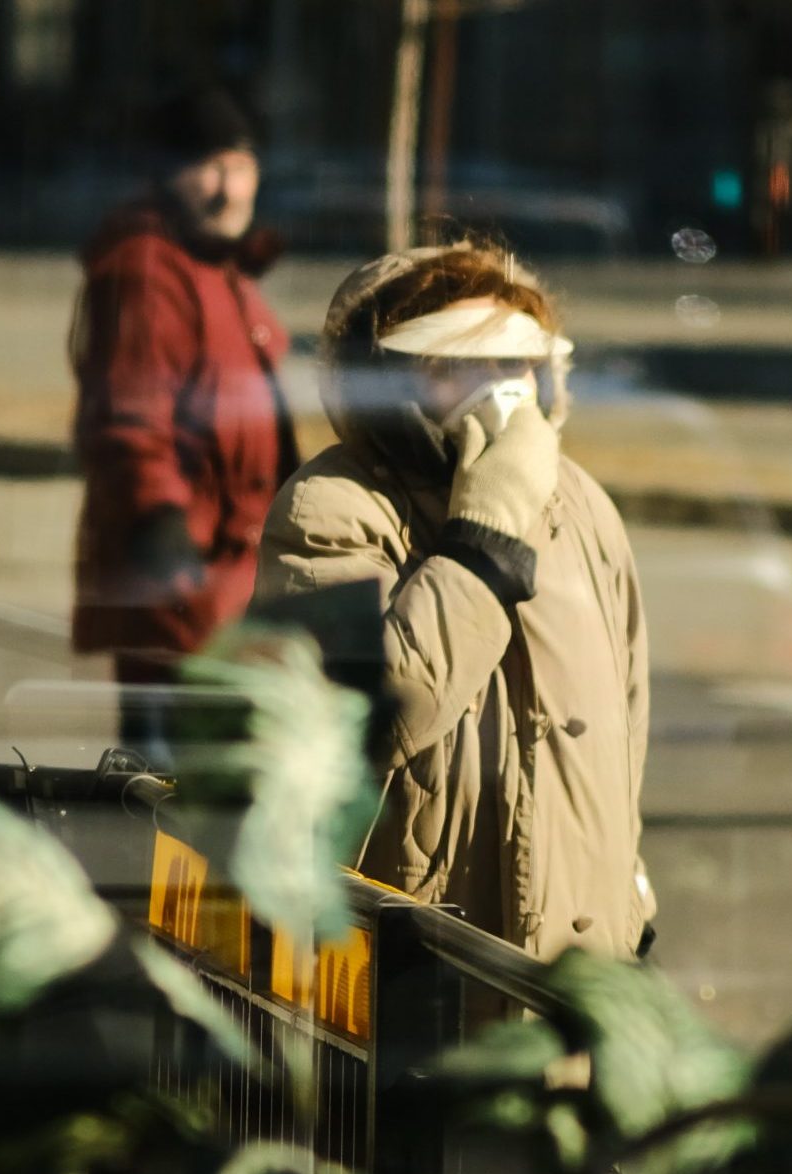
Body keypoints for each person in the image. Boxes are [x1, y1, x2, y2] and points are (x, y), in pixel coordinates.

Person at [252, 243, 656, 962]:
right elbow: (360, 721)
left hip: (575, 972)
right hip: (422, 971)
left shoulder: (584, 508)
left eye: (515, 362)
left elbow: (625, 727)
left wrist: (631, 907)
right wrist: (482, 542)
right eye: (456, 365)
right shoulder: (329, 508)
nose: (499, 387)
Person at [69, 85, 296, 765]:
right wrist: (166, 542)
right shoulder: (149, 267)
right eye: (209, 168)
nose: (230, 190)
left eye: (241, 166)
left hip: (230, 593)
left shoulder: (217, 265)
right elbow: (131, 419)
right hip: (183, 598)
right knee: (174, 807)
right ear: (167, 175)